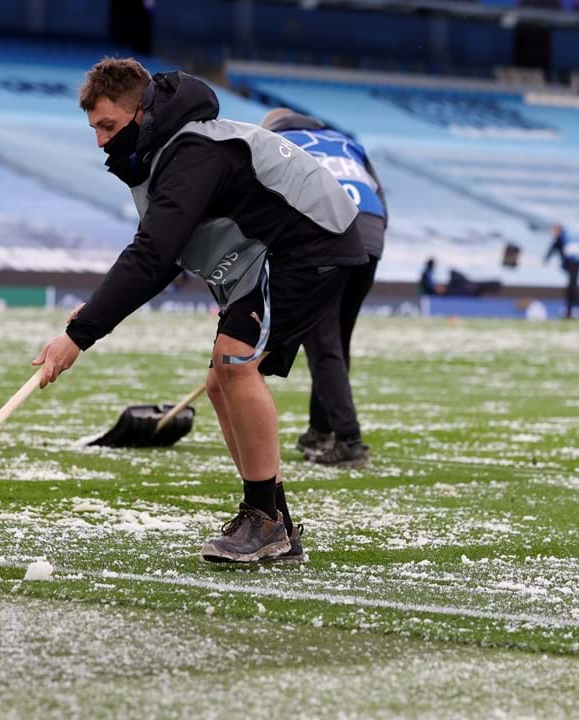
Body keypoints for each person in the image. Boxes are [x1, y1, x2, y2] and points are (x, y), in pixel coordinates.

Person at [32, 58, 366, 564]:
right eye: (95, 129)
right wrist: (94, 313)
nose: (100, 142)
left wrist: (79, 334)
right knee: (220, 380)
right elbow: (170, 251)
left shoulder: (191, 150)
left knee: (234, 363)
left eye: (108, 126)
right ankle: (275, 520)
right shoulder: (171, 150)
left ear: (141, 111)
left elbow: (153, 256)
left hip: (310, 247)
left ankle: (265, 522)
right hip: (274, 252)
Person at [262, 109, 386, 467]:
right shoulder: (347, 143)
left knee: (322, 341)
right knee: (336, 339)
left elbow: (268, 201)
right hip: (370, 234)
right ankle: (320, 429)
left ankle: (349, 440)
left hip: (325, 236)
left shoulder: (275, 142)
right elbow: (380, 197)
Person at [545, 224, 579, 319]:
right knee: (570, 289)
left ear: (558, 230)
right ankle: (569, 313)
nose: (552, 233)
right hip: (572, 265)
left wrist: (564, 263)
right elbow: (552, 249)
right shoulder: (560, 239)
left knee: (573, 288)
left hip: (574, 265)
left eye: (554, 230)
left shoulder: (565, 237)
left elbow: (572, 255)